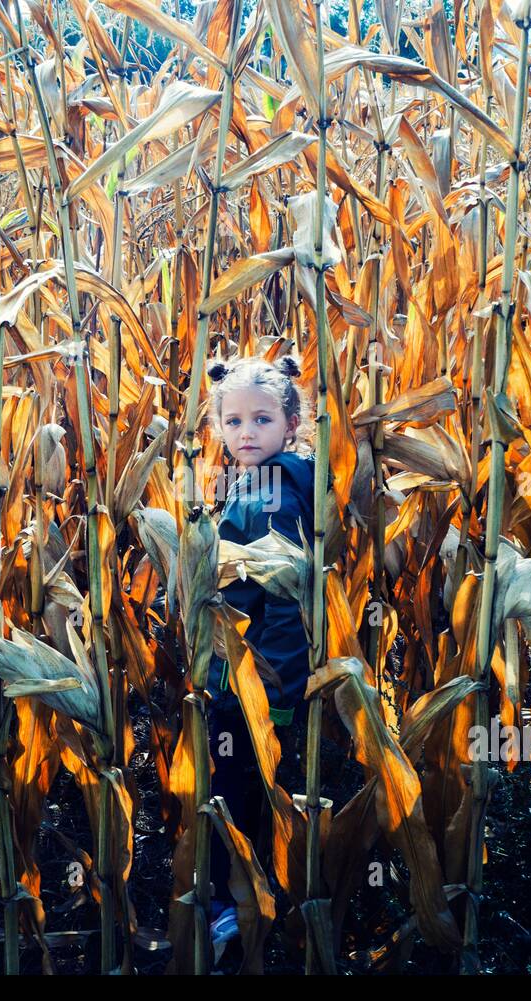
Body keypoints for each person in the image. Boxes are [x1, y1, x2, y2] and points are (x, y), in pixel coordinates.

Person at [200, 352, 316, 958]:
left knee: (238, 790)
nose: (247, 433)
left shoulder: (276, 495)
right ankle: (251, 895)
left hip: (254, 686)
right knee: (245, 787)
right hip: (236, 674)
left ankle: (235, 906)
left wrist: (268, 694)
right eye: (235, 420)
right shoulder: (258, 484)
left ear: (291, 424)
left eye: (263, 421)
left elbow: (284, 607)